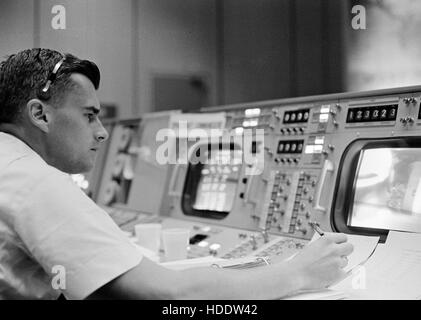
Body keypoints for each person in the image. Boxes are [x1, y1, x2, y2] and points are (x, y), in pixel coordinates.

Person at [0, 48, 353, 300]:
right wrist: (299, 272)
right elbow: (168, 295)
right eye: (89, 115)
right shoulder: (35, 183)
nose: (102, 132)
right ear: (40, 114)